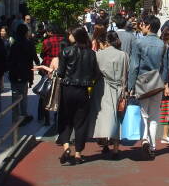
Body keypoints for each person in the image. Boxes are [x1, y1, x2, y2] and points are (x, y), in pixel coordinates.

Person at [127, 15, 169, 160]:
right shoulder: (164, 45)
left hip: (142, 81)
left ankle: (145, 139)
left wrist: (130, 85)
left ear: (148, 26)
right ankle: (152, 146)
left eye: (143, 24)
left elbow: (134, 66)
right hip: (157, 82)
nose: (142, 26)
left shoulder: (138, 43)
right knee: (154, 116)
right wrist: (164, 83)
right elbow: (166, 67)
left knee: (143, 114)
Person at [55, 27, 99, 165]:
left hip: (67, 89)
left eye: (71, 34)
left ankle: (67, 146)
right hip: (83, 90)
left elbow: (61, 73)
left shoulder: (66, 51)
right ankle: (79, 153)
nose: (69, 36)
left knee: (65, 119)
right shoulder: (91, 54)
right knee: (81, 122)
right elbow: (96, 74)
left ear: (76, 36)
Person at [91, 31, 129, 158]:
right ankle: (116, 148)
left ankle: (105, 142)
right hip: (119, 88)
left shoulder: (99, 55)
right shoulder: (123, 55)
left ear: (106, 42)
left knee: (102, 115)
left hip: (102, 88)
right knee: (117, 117)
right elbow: (126, 74)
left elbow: (94, 72)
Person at [7, 23, 39, 124]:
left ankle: (15, 118)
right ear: (25, 32)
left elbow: (10, 59)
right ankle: (23, 116)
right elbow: (34, 56)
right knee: (23, 97)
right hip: (25, 73)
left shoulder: (14, 44)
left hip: (14, 74)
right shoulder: (29, 44)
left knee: (14, 97)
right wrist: (38, 64)